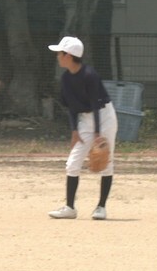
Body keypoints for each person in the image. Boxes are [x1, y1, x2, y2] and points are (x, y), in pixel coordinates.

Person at [47, 36, 117, 220]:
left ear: (68, 55)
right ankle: (70, 208)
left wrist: (97, 135)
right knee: (72, 163)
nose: (58, 56)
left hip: (104, 117)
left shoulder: (89, 75)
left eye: (60, 53)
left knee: (106, 162)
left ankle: (101, 207)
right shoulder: (66, 78)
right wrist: (74, 131)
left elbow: (95, 104)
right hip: (85, 120)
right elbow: (70, 106)